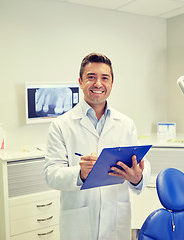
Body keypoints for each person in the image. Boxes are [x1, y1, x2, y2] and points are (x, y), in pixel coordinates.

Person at [44, 53, 151, 240]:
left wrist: (138, 177)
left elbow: (140, 163)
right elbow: (51, 174)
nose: (98, 84)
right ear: (80, 81)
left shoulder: (126, 124)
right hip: (79, 222)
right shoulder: (61, 125)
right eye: (91, 77)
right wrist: (80, 174)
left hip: (116, 219)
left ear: (112, 83)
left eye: (105, 78)